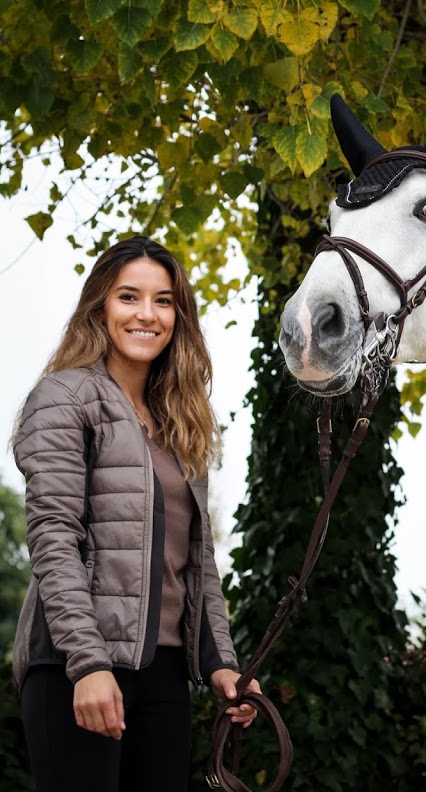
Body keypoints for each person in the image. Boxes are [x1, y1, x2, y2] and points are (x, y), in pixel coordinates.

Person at [12, 235, 259, 792]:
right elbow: (54, 537)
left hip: (165, 674)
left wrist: (222, 663)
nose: (147, 314)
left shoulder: (181, 422)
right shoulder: (64, 397)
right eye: (129, 297)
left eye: (164, 300)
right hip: (77, 668)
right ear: (101, 306)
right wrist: (88, 664)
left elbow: (198, 562)